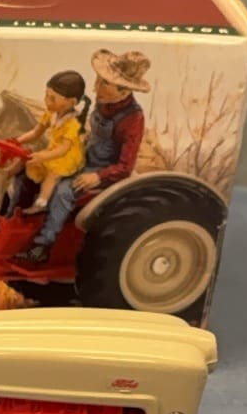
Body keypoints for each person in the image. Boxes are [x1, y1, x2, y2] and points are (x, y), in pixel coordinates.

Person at [13, 49, 150, 265]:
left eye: (104, 84)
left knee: (64, 190)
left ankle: (42, 246)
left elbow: (125, 166)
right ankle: (16, 223)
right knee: (27, 170)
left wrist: (97, 176)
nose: (96, 88)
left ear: (124, 91)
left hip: (103, 171)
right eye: (98, 81)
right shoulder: (103, 102)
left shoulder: (133, 118)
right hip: (83, 158)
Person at [7, 70, 86, 216]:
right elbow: (36, 132)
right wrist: (17, 140)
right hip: (52, 152)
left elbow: (63, 150)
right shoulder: (50, 114)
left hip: (67, 157)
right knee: (25, 158)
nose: (47, 101)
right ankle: (5, 176)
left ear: (72, 102)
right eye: (46, 96)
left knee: (52, 174)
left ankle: (41, 203)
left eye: (52, 99)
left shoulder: (72, 124)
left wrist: (44, 156)